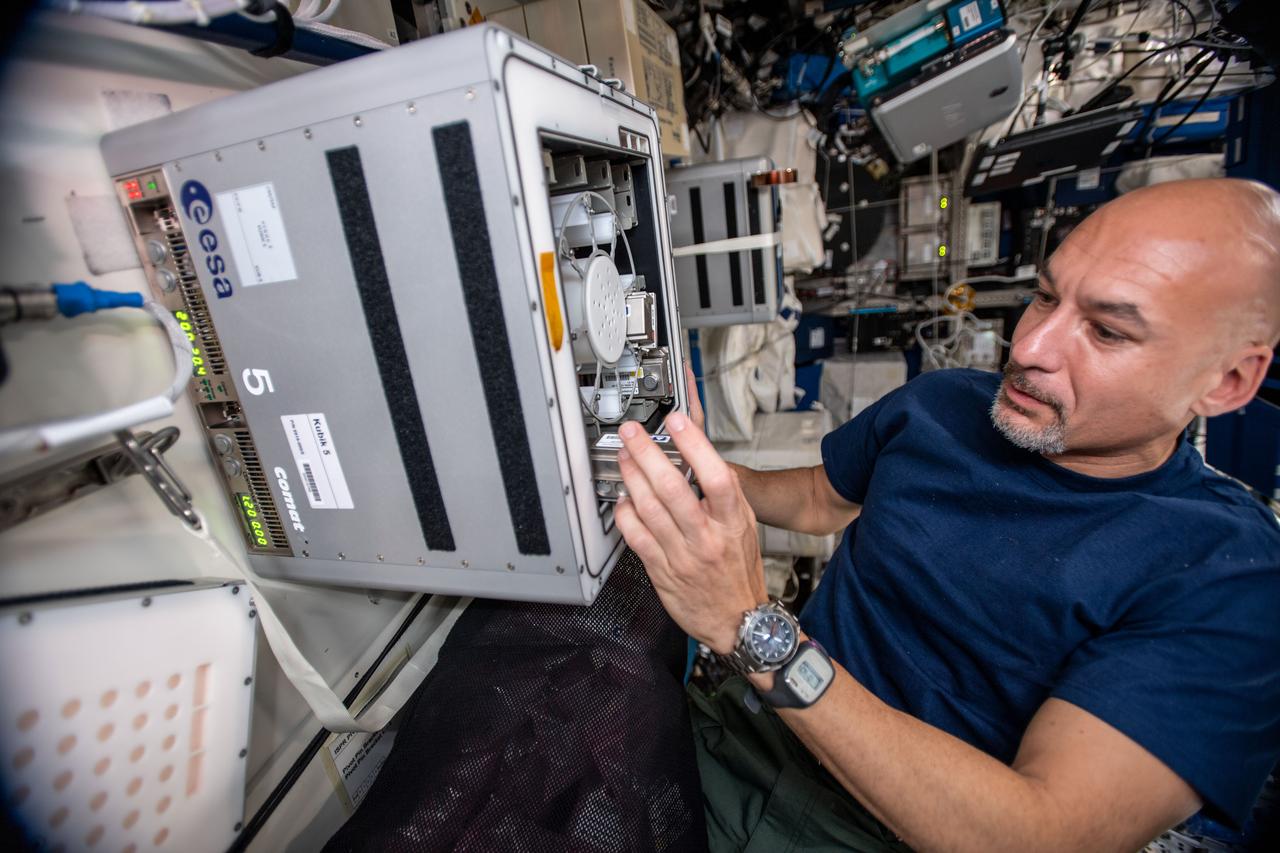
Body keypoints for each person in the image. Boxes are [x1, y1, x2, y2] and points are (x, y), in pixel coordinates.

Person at [613, 177, 1280, 852]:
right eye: (1045, 296)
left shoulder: (1228, 577)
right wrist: (698, 470)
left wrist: (751, 625)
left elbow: (1040, 836)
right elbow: (820, 499)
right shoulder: (943, 406)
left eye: (1106, 331)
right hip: (736, 733)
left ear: (1227, 381)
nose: (1029, 348)